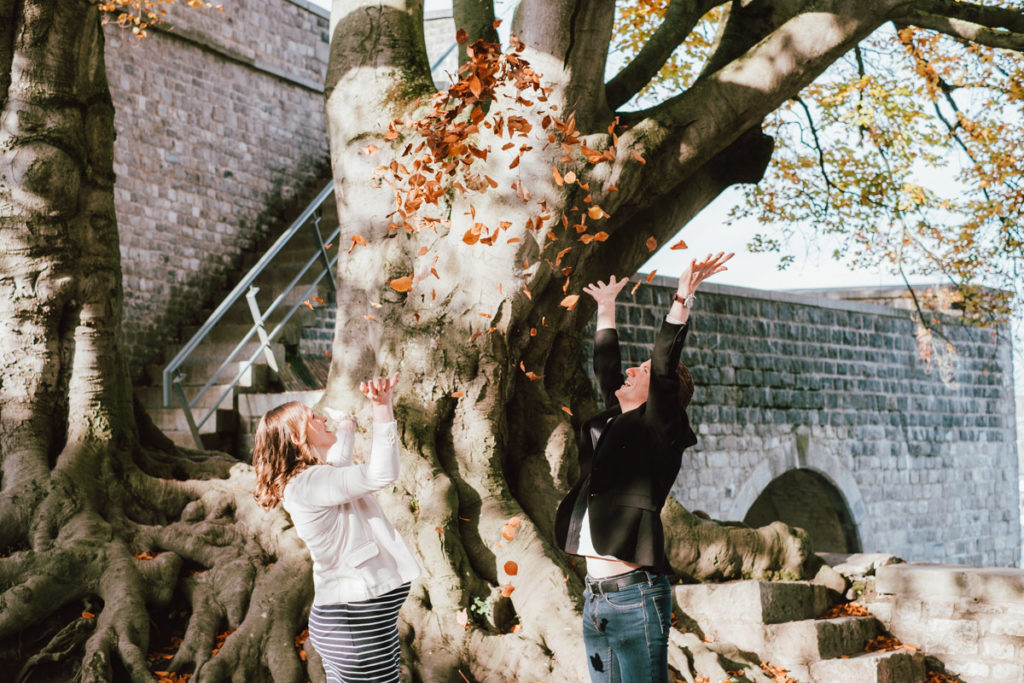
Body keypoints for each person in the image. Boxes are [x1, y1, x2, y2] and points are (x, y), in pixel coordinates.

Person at [554, 252, 733, 683]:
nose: (633, 370)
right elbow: (608, 369)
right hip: (596, 600)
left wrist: (682, 298)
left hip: (635, 601)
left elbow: (666, 364)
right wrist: (606, 309)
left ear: (662, 398)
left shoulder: (659, 430)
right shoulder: (614, 422)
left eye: (644, 370)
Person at [252, 374, 419, 683]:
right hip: (355, 627)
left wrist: (347, 427)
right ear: (294, 438)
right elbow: (381, 473)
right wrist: (383, 407)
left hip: (362, 625)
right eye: (313, 418)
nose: (321, 417)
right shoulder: (310, 483)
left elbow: (339, 460)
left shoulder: (313, 478)